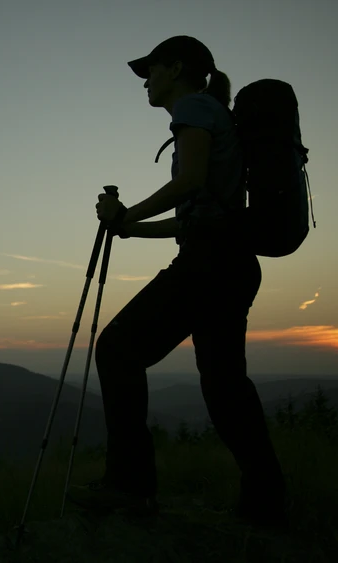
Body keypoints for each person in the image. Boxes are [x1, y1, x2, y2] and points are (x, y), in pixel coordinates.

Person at [65, 36, 288, 530]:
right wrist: (129, 226)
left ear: (176, 68)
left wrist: (126, 213)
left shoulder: (193, 107)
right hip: (230, 264)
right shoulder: (213, 112)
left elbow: (189, 182)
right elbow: (197, 213)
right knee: (225, 387)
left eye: (151, 70)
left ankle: (129, 486)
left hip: (208, 264)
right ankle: (267, 503)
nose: (145, 81)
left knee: (118, 349)